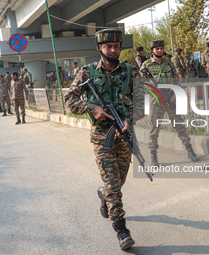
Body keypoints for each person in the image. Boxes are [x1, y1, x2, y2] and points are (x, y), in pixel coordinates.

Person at [64, 28, 137, 250]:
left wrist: (129, 121)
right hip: (100, 137)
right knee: (114, 184)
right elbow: (69, 99)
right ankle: (121, 230)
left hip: (123, 134)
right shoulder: (87, 73)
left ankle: (104, 194)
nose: (113, 50)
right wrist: (91, 108)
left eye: (116, 46)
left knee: (118, 181)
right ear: (99, 48)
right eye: (108, 47)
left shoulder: (129, 72)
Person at [140, 40, 199, 165]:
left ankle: (190, 151)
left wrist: (174, 95)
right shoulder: (146, 65)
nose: (160, 51)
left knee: (179, 125)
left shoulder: (169, 64)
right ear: (152, 51)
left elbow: (177, 80)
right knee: (154, 128)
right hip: (155, 100)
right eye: (157, 49)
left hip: (170, 99)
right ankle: (154, 156)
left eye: (161, 48)